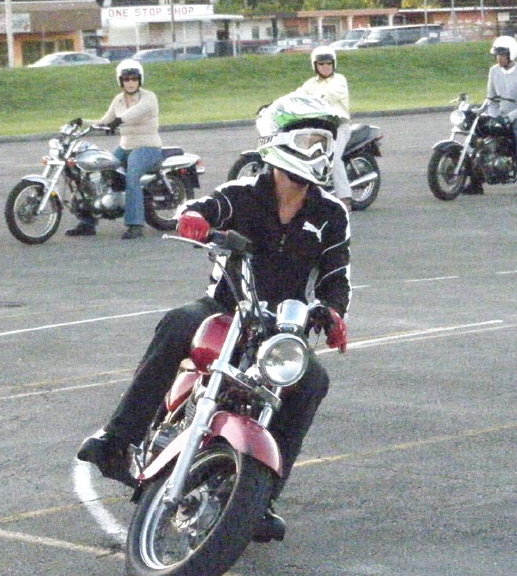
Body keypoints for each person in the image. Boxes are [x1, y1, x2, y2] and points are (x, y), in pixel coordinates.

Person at [77, 93, 351, 543]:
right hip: (225, 307)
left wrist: (334, 312)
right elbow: (202, 208)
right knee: (178, 322)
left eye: (325, 142)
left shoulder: (330, 213)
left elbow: (336, 275)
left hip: (279, 328)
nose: (319, 151)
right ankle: (118, 439)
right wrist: (191, 219)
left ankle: (262, 501)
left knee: (312, 382)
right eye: (310, 141)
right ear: (279, 140)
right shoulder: (242, 194)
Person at [67, 58, 162, 240]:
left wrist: (119, 120)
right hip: (125, 147)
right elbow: (104, 121)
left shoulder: (149, 97)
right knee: (97, 171)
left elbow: (136, 112)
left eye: (134, 78)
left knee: (132, 176)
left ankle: (135, 225)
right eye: (126, 79)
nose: (130, 82)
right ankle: (88, 223)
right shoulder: (118, 100)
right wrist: (81, 122)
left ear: (140, 79)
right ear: (120, 81)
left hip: (148, 147)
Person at [296, 45, 353, 207]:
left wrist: (308, 102)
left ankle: (345, 199)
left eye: (329, 63)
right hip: (319, 128)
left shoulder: (339, 80)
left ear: (334, 64)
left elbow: (327, 96)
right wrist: (276, 105)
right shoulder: (310, 83)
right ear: (314, 65)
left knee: (333, 158)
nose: (326, 66)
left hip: (338, 127)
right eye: (321, 64)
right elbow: (296, 95)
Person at [483, 35, 517, 197]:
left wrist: (510, 117)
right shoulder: (494, 71)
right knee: (479, 138)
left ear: (511, 54)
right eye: (497, 54)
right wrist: (493, 116)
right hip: (502, 114)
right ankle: (475, 182)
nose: (498, 58)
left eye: (501, 54)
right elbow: (492, 98)